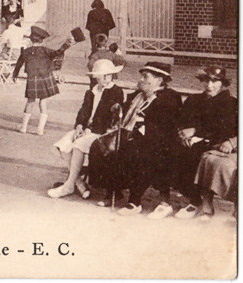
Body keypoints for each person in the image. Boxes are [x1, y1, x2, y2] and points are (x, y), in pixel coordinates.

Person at [89, 62, 182, 217]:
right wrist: (118, 107)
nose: (141, 79)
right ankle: (114, 191)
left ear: (159, 80)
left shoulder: (170, 97)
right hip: (133, 135)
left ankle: (135, 200)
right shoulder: (138, 95)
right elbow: (124, 108)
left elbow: (166, 125)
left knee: (133, 151)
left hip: (159, 141)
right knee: (100, 145)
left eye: (145, 77)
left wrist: (141, 128)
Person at [48, 59, 126, 199]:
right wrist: (79, 126)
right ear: (96, 76)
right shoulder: (91, 92)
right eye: (104, 75)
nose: (107, 78)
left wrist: (89, 130)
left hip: (101, 133)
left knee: (77, 145)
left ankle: (69, 185)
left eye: (110, 75)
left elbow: (112, 118)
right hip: (86, 130)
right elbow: (83, 111)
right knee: (61, 145)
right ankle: (79, 184)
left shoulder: (116, 92)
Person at [172, 66, 237, 219]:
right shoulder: (194, 100)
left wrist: (195, 132)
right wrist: (183, 135)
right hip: (191, 142)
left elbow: (224, 130)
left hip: (217, 144)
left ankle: (205, 204)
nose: (209, 85)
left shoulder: (231, 103)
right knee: (173, 152)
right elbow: (181, 121)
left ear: (223, 84)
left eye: (215, 81)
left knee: (197, 157)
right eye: (206, 80)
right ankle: (194, 200)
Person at [12, 26, 74, 135]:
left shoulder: (25, 51)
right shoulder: (46, 51)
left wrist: (15, 75)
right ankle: (40, 130)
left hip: (32, 78)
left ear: (31, 39)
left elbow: (19, 64)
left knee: (30, 101)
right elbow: (58, 53)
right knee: (43, 102)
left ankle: (23, 127)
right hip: (45, 77)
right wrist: (67, 44)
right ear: (42, 40)